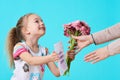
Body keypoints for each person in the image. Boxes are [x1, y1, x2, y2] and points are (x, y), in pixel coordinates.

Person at [6, 13, 75, 80]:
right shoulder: (19, 47)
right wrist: (50, 57)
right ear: (26, 30)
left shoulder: (44, 51)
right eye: (37, 21)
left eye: (42, 21)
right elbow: (31, 60)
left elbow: (57, 72)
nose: (42, 23)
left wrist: (66, 58)